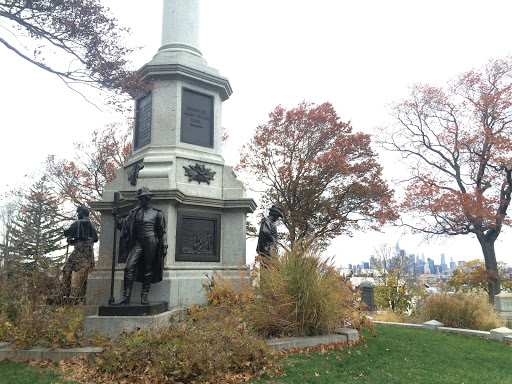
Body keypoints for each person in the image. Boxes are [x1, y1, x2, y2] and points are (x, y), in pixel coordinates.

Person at [113, 187, 167, 305]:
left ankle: (144, 296)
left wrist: (164, 245)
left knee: (148, 268)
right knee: (128, 267)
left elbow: (162, 231)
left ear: (147, 198)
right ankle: (126, 297)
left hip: (151, 241)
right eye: (139, 199)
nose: (140, 201)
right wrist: (116, 216)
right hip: (138, 242)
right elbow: (123, 226)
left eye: (142, 198)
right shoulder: (134, 212)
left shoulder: (157, 213)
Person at [62, 205, 98, 298]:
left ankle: (65, 292)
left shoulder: (78, 223)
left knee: (66, 269)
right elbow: (95, 238)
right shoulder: (92, 224)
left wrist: (66, 232)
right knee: (84, 272)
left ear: (83, 212)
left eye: (79, 212)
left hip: (79, 250)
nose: (77, 214)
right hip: (89, 251)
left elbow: (67, 231)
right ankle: (81, 293)